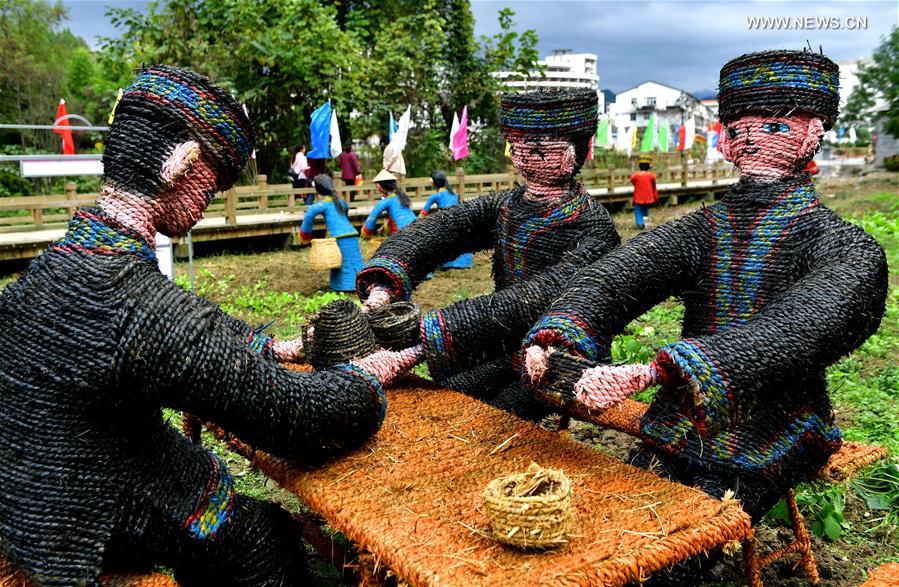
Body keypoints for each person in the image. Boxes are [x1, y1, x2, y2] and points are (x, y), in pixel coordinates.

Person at [0, 65, 420, 585]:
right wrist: (367, 373)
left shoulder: (58, 266)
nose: (208, 203)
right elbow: (299, 417)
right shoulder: (134, 304)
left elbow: (191, 333)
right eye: (211, 185)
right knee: (264, 541)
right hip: (85, 509)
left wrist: (271, 346)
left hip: (32, 483)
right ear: (181, 163)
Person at [523, 50, 887, 581]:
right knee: (622, 518)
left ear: (813, 131)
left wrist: (654, 371)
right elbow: (620, 274)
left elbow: (806, 324)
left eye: (773, 125)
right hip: (681, 415)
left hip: (779, 422)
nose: (751, 138)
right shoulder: (703, 228)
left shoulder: (844, 247)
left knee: (674, 548)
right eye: (737, 127)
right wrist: (559, 335)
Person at [357, 89, 621, 421]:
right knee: (451, 390)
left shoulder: (595, 228)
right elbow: (440, 230)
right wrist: (385, 282)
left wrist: (425, 338)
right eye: (519, 146)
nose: (527, 156)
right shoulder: (506, 206)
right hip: (502, 344)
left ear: (585, 148)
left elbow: (543, 294)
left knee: (498, 417)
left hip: (558, 349)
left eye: (540, 149)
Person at [299, 174, 365, 292]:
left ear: (318, 189)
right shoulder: (341, 201)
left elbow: (309, 216)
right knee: (354, 261)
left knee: (340, 263)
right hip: (352, 233)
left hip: (338, 236)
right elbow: (344, 212)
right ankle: (360, 283)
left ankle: (344, 286)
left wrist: (305, 236)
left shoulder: (321, 205)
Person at [420, 171, 473, 269]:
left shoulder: (436, 196)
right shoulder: (454, 194)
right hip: (459, 221)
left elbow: (423, 212)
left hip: (445, 222)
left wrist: (415, 223)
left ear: (434, 182)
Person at [361, 169, 417, 237]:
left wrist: (365, 234)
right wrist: (384, 228)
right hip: (416, 228)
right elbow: (398, 215)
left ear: (378, 186)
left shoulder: (386, 201)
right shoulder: (401, 197)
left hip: (402, 234)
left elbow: (371, 220)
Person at [630, 154, 658, 229]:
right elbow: (653, 183)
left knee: (638, 209)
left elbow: (632, 181)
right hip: (648, 196)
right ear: (649, 166)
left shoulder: (635, 175)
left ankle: (640, 223)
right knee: (645, 208)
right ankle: (645, 220)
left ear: (639, 166)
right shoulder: (651, 175)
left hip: (638, 196)